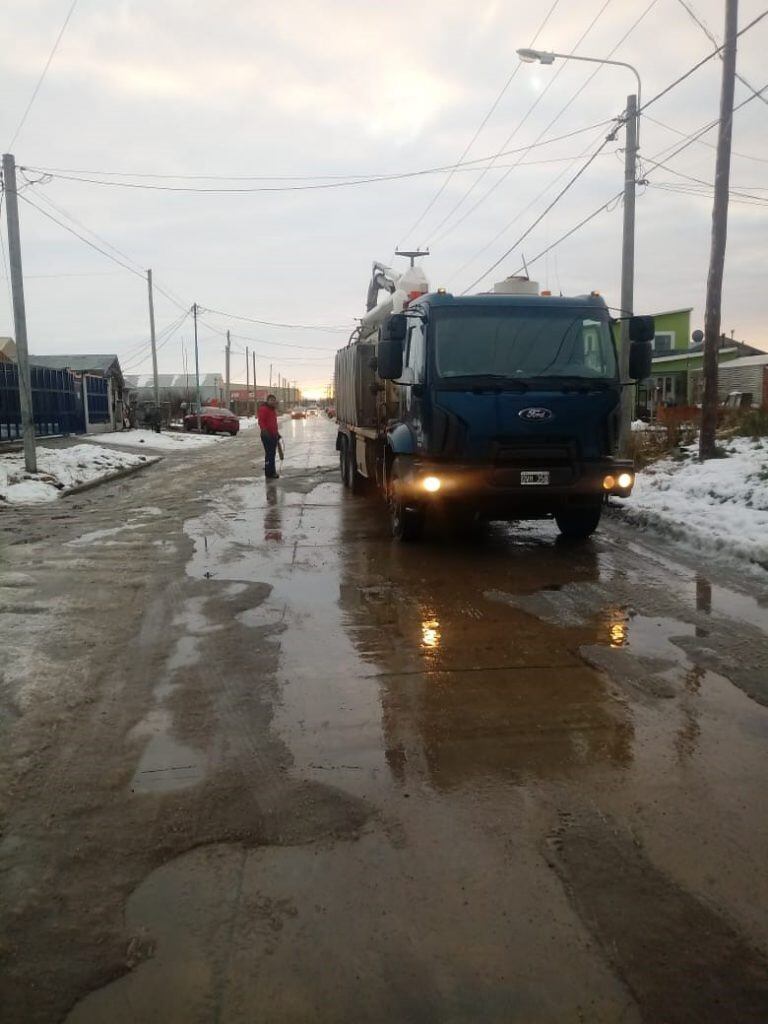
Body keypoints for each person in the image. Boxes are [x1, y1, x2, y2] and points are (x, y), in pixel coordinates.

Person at [257, 394, 281, 478]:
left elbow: (273, 423)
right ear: (267, 401)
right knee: (270, 454)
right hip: (266, 435)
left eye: (274, 400)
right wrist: (264, 431)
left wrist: (277, 433)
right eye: (271, 400)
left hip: (273, 435)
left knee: (272, 454)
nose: (273, 402)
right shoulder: (264, 409)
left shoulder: (272, 410)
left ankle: (270, 472)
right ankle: (270, 473)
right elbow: (261, 421)